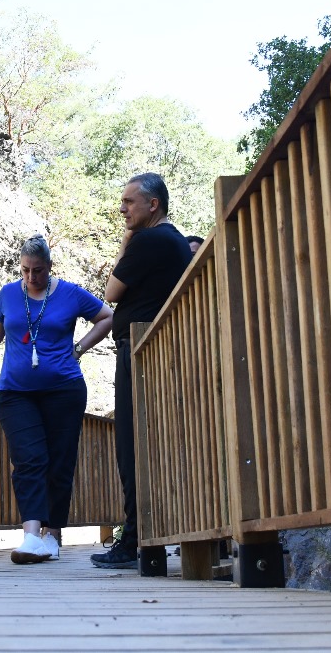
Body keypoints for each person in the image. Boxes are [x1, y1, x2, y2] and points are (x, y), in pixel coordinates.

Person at [0, 235, 113, 564]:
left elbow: (107, 316)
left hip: (64, 390)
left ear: (49, 267)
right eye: (25, 270)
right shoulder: (9, 294)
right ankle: (30, 536)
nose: (30, 278)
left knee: (59, 462)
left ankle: (52, 536)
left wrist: (79, 348)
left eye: (37, 271)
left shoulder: (69, 293)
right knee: (28, 459)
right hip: (15, 392)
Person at [91, 172, 192, 570]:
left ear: (153, 205)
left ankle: (133, 540)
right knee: (147, 444)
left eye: (130, 202)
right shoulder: (173, 240)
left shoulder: (151, 239)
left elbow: (112, 293)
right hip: (155, 349)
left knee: (131, 445)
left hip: (139, 350)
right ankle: (143, 537)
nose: (122, 209)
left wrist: (126, 243)